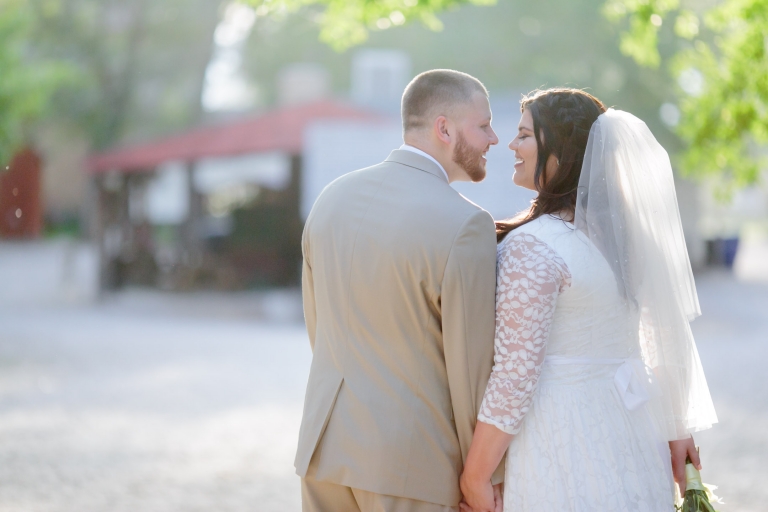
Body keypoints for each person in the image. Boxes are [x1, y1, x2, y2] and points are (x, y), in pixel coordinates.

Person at [459, 88, 718, 512]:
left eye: (524, 135)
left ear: (559, 150)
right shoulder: (627, 239)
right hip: (634, 430)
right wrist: (677, 430)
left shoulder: (534, 247)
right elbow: (661, 335)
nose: (511, 145)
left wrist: (475, 477)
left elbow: (515, 376)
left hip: (562, 437)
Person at [296, 69, 504, 512]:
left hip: (324, 450)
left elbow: (321, 330)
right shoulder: (466, 224)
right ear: (443, 128)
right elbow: (471, 372)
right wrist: (481, 477)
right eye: (483, 125)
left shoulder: (331, 198)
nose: (494, 139)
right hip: (411, 465)